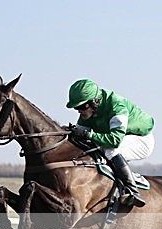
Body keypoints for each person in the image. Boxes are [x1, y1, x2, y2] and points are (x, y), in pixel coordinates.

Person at [66, 79, 154, 207]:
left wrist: (89, 134)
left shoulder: (116, 106)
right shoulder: (89, 110)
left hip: (140, 139)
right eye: (76, 107)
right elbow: (80, 136)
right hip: (118, 137)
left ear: (95, 102)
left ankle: (132, 191)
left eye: (82, 107)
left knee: (110, 150)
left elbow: (115, 141)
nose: (79, 111)